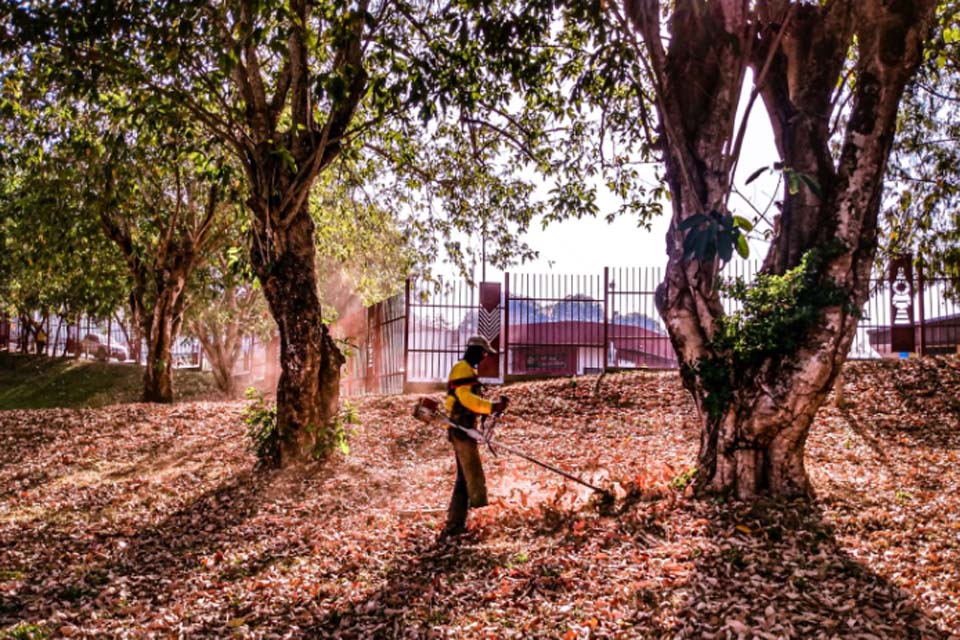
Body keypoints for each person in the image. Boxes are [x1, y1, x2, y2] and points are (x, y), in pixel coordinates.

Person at [441, 335, 509, 538]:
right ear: (476, 351)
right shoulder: (462, 367)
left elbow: (470, 399)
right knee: (466, 476)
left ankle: (457, 522)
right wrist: (491, 407)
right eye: (484, 352)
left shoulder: (469, 370)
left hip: (464, 427)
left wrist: (491, 408)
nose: (485, 356)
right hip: (460, 427)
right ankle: (454, 525)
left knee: (465, 476)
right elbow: (466, 398)